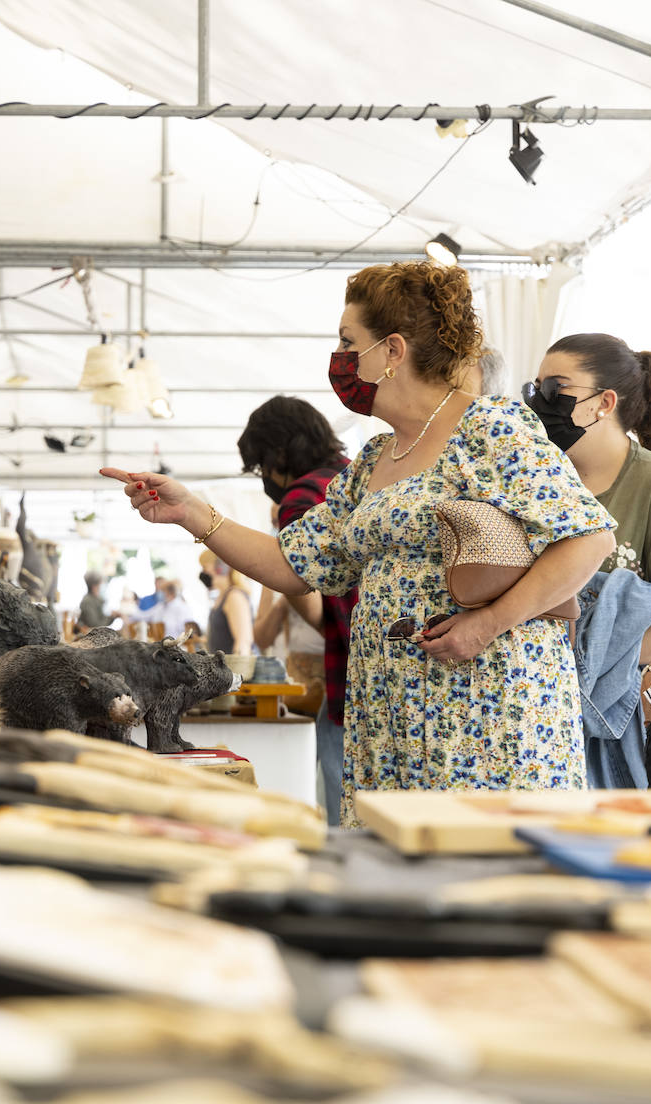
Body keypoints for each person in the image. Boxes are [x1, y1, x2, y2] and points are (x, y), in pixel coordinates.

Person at [102, 261, 615, 823]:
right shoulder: (375, 458)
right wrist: (192, 513)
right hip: (392, 710)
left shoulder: (492, 426)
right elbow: (293, 563)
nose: (341, 357)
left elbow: (589, 540)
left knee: (482, 862)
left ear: (392, 351)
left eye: (350, 342)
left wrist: (486, 625)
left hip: (486, 710)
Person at [525, 333, 651, 783]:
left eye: (556, 389)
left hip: (632, 720)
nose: (540, 403)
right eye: (536, 388)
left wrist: (650, 680)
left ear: (605, 402)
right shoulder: (533, 484)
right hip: (538, 716)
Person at [238, 397, 357, 825]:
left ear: (278, 454)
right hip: (398, 669)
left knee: (344, 816)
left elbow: (302, 588)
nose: (264, 477)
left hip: (349, 673)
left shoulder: (303, 496)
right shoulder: (355, 473)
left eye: (260, 465)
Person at [198, 550, 254, 656]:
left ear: (220, 567)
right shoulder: (223, 596)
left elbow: (243, 642)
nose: (203, 573)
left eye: (205, 567)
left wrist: (237, 671)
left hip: (231, 669)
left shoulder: (234, 596)